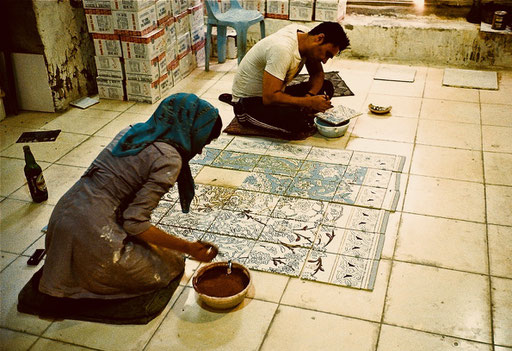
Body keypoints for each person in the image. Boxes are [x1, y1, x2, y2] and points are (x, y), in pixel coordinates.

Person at [17, 93, 222, 324]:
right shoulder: (169, 158)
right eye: (204, 141)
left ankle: (68, 275)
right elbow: (135, 223)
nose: (201, 150)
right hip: (91, 232)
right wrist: (188, 247)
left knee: (157, 248)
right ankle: (79, 288)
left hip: (63, 216)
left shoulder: (132, 130)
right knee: (170, 263)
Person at [225, 21, 350, 139]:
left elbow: (317, 74)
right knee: (297, 124)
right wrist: (308, 102)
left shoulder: (306, 36)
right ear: (319, 38)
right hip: (250, 102)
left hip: (274, 92)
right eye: (327, 54)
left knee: (326, 86)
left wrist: (309, 96)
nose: (324, 60)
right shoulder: (282, 49)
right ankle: (243, 111)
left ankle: (301, 111)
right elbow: (269, 98)